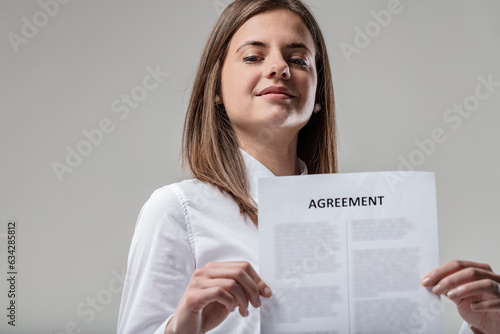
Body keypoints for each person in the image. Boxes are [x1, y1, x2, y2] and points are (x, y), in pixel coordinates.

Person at [117, 0, 500, 333]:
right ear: (215, 88)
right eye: (253, 56)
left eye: (298, 59)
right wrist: (181, 328)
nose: (280, 67)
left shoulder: (365, 223)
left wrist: (486, 328)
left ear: (317, 95)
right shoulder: (177, 211)